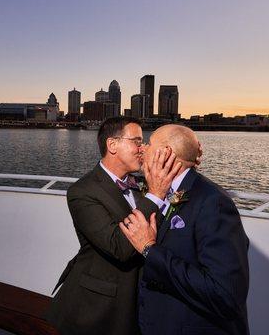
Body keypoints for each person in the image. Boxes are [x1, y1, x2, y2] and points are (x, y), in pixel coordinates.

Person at [46, 117, 181, 335]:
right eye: (136, 141)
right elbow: (119, 246)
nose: (143, 148)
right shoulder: (83, 192)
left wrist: (180, 162)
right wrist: (155, 194)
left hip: (138, 302)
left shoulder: (140, 183)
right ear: (112, 145)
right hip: (96, 309)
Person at [120, 124, 250, 335]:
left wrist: (149, 249)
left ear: (167, 154)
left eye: (149, 144)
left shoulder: (214, 203)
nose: (142, 148)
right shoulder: (167, 189)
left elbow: (225, 294)